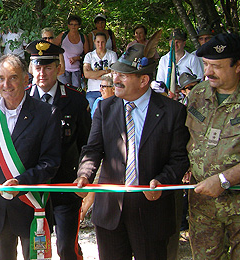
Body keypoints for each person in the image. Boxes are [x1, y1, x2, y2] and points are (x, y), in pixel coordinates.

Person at [75, 43, 190, 260]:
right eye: (115, 72)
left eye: (123, 75)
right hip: (110, 213)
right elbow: (93, 149)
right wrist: (84, 175)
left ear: (143, 80)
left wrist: (161, 181)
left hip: (152, 212)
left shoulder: (173, 112)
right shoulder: (104, 108)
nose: (115, 79)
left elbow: (179, 159)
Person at [0, 54, 62, 260]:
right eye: (1, 78)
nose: (7, 84)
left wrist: (20, 183)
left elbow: (50, 163)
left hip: (32, 208)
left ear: (25, 80)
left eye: (13, 77)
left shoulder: (47, 113)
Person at [26, 40, 91, 260]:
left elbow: (86, 144)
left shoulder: (75, 101)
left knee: (66, 248)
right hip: (32, 190)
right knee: (36, 250)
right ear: (31, 69)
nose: (42, 73)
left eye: (48, 67)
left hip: (65, 186)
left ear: (59, 68)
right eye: (37, 67)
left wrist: (84, 178)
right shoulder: (21, 100)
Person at [187, 33, 240, 259]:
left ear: (238, 66)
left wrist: (224, 179)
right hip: (203, 207)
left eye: (216, 66)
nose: (208, 72)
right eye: (206, 64)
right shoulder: (198, 94)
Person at [83, 32, 118, 111]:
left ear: (106, 42)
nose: (100, 45)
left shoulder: (112, 55)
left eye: (102, 42)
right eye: (98, 42)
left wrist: (94, 75)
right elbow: (87, 74)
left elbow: (114, 73)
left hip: (108, 89)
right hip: (92, 90)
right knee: (94, 112)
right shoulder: (89, 56)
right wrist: (106, 71)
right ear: (94, 42)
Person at [56, 15, 89, 88]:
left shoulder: (83, 37)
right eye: (71, 24)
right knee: (64, 90)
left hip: (77, 70)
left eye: (76, 24)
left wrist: (78, 58)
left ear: (79, 26)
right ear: (68, 26)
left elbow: (87, 55)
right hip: (63, 70)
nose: (73, 26)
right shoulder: (63, 35)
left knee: (76, 91)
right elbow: (53, 47)